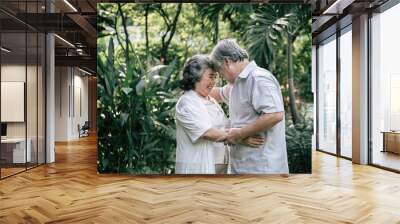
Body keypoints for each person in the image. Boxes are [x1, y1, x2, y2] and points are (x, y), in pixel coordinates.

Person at [209, 39, 289, 174]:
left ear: (227, 62)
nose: (221, 77)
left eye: (220, 71)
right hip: (241, 167)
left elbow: (275, 114)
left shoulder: (258, 78)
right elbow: (216, 93)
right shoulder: (235, 84)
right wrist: (191, 88)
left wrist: (240, 134)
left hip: (262, 168)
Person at [175, 55, 264, 174]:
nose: (213, 82)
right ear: (195, 77)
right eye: (211, 77)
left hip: (219, 166)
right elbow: (207, 132)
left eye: (216, 77)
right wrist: (240, 138)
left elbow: (223, 126)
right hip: (197, 168)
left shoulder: (210, 100)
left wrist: (246, 129)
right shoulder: (187, 102)